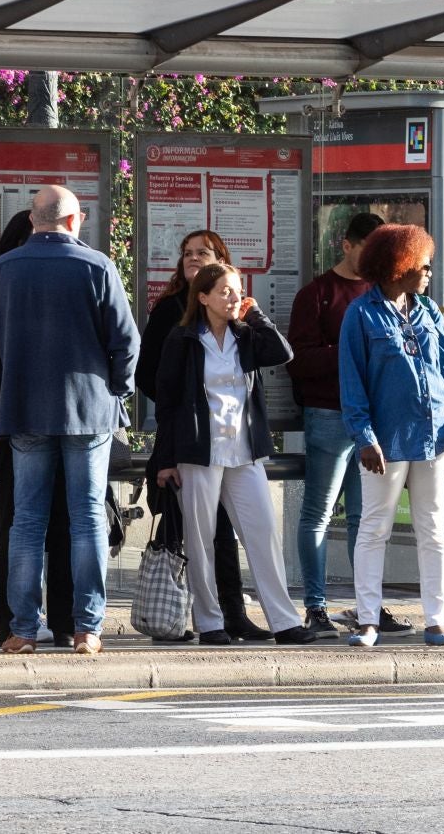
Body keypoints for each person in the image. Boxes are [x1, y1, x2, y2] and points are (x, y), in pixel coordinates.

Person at [0, 185, 138, 656]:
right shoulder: (97, 266)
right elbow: (127, 343)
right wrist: (114, 391)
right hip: (88, 411)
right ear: (74, 220)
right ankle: (87, 629)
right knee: (86, 518)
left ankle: (23, 629)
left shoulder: (2, 270)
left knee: (26, 521)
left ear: (32, 218)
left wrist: (7, 388)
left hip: (23, 411)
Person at [151, 263, 317, 646]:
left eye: (237, 290)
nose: (233, 297)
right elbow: (168, 402)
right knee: (200, 539)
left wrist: (255, 314)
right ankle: (209, 622)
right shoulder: (183, 339)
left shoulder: (247, 336)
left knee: (262, 534)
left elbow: (283, 352)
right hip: (199, 452)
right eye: (225, 291)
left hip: (245, 451)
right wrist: (165, 460)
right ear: (203, 297)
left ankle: (284, 621)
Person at [337, 224, 444, 648]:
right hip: (385, 442)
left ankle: (437, 621)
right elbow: (352, 384)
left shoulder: (430, 311)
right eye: (423, 265)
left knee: (433, 528)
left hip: (434, 436)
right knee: (374, 527)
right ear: (398, 266)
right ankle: (367, 621)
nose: (429, 272)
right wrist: (364, 438)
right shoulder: (360, 316)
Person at [137, 229, 268, 641]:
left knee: (225, 532)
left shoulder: (236, 319)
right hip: (187, 437)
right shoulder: (171, 313)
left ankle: (233, 613)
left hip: (234, 444)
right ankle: (183, 617)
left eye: (202, 253)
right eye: (186, 253)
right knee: (187, 535)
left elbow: (276, 354)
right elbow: (150, 376)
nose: (192, 259)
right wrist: (191, 404)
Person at [288, 212, 408, 637]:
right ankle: (316, 607)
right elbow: (298, 361)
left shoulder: (384, 294)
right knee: (319, 512)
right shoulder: (318, 294)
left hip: (375, 421)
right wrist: (350, 351)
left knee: (366, 518)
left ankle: (367, 605)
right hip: (329, 414)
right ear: (347, 245)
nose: (376, 260)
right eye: (369, 250)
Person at [0, 211, 77, 646]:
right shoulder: (57, 274)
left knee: (17, 522)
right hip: (67, 417)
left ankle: (13, 624)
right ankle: (67, 625)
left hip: (11, 416)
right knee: (67, 520)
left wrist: (6, 387)